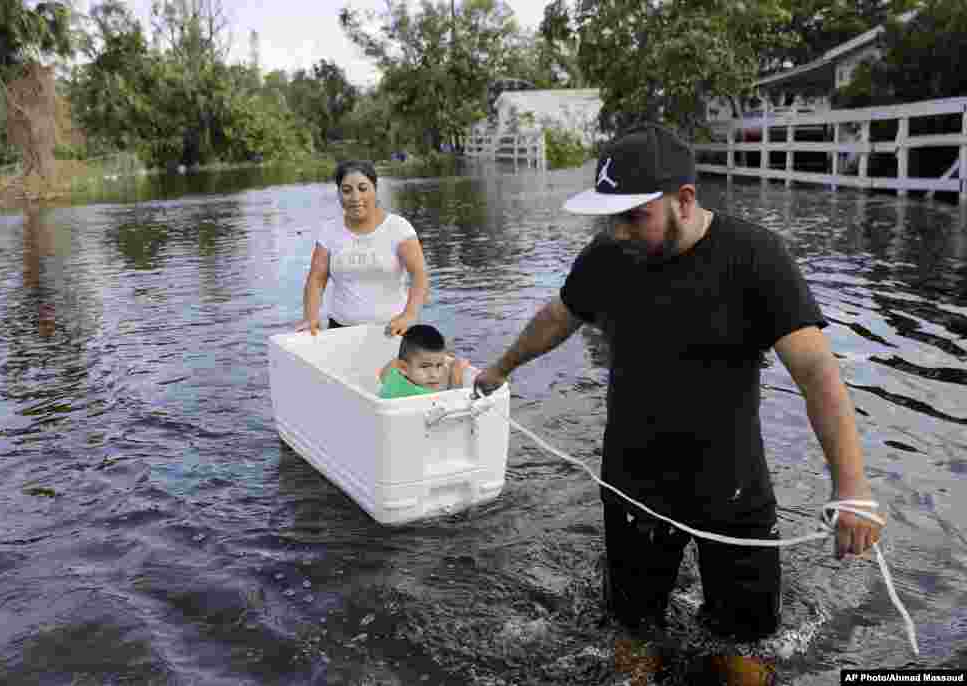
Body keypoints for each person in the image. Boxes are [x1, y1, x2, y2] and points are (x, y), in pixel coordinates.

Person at [473, 123, 884, 642]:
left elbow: (817, 374)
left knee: (746, 651)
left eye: (633, 216)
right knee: (631, 638)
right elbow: (557, 317)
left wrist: (852, 489)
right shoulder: (607, 255)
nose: (617, 230)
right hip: (632, 483)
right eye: (610, 217)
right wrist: (499, 369)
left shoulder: (756, 257)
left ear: (684, 200)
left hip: (731, 487)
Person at [299, 160, 428, 337]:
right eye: (346, 190)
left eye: (362, 188)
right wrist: (310, 317)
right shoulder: (329, 230)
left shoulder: (399, 228)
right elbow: (316, 280)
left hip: (393, 330)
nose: (355, 197)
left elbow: (419, 275)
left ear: (374, 189)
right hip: (341, 331)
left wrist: (409, 315)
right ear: (338, 193)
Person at [378, 324, 471, 399]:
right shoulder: (423, 395)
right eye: (425, 367)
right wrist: (456, 372)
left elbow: (382, 374)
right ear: (403, 367)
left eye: (439, 365)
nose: (434, 374)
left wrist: (409, 353)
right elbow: (454, 403)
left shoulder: (393, 375)